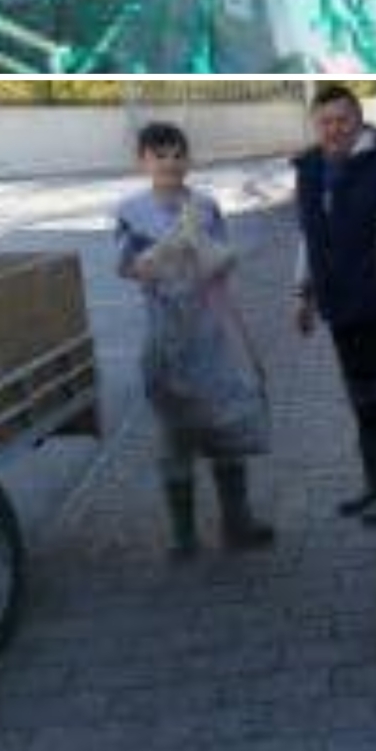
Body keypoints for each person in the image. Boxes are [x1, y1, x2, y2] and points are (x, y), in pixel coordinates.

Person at [113, 122, 274, 558]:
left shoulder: (205, 207)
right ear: (142, 161)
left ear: (188, 159)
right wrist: (161, 252)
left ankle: (237, 523)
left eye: (176, 154)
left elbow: (222, 267)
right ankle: (184, 537)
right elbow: (126, 268)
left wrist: (206, 251)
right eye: (159, 154)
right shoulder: (131, 211)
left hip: (212, 335)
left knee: (226, 428)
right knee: (175, 436)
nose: (169, 162)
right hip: (167, 340)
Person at [290, 84, 376, 526]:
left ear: (359, 120)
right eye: (325, 121)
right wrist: (303, 294)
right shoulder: (309, 169)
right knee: (362, 400)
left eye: (343, 120)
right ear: (315, 125)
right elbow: (307, 234)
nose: (334, 129)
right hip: (339, 307)